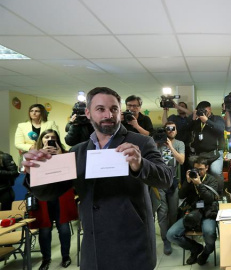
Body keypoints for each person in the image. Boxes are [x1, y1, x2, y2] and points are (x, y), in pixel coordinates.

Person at [22, 87, 174, 270]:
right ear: (88, 113)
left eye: (114, 109)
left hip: (132, 245)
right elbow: (49, 193)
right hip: (94, 247)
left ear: (120, 112)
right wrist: (34, 174)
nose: (108, 114)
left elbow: (166, 178)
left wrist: (140, 164)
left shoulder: (141, 142)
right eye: (100, 109)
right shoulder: (78, 151)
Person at [28, 129, 78, 270]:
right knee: (44, 230)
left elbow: (71, 174)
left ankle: (65, 256)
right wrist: (41, 155)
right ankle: (46, 259)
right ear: (41, 140)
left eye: (53, 137)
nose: (49, 139)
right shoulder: (34, 154)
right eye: (46, 137)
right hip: (43, 199)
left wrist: (61, 156)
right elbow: (28, 176)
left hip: (62, 196)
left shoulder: (65, 153)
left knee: (63, 228)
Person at [166, 157, 218, 266]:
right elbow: (181, 195)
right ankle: (195, 248)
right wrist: (187, 182)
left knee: (209, 233)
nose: (198, 172)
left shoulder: (212, 180)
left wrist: (199, 184)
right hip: (192, 212)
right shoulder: (190, 179)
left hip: (207, 212)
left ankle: (206, 253)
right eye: (195, 169)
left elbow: (209, 199)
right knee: (171, 235)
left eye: (201, 169)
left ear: (207, 168)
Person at [151, 121, 185, 256]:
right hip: (158, 183)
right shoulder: (156, 143)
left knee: (173, 212)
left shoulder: (179, 144)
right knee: (162, 213)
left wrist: (170, 146)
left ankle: (172, 235)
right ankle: (166, 240)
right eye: (168, 129)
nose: (170, 130)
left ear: (176, 130)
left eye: (173, 128)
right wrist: (155, 144)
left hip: (173, 182)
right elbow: (149, 160)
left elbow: (181, 160)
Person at [188, 101, 225, 179]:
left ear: (209, 109)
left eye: (204, 110)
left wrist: (207, 121)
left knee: (215, 171)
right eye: (200, 110)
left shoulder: (217, 118)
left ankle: (219, 190)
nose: (203, 112)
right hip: (200, 154)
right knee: (197, 174)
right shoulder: (197, 121)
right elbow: (188, 130)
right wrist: (193, 119)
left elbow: (220, 129)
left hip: (215, 153)